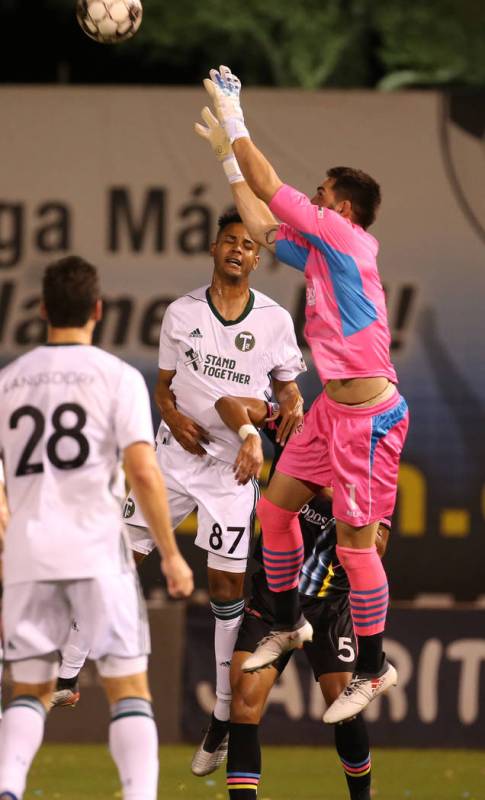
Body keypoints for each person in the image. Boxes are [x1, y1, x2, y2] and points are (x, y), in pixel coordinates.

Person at [49, 212, 306, 774]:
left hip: (233, 470)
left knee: (224, 587)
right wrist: (170, 414)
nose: (238, 250)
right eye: (230, 241)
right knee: (118, 555)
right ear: (213, 247)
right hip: (174, 458)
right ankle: (66, 673)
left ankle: (219, 712)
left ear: (257, 259)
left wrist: (291, 405)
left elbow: (289, 388)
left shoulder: (275, 319)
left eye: (248, 245)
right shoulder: (181, 313)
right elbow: (163, 388)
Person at [196, 66, 409, 723]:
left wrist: (235, 117)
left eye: (321, 195)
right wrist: (227, 160)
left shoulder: (345, 238)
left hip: (367, 418)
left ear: (341, 209)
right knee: (276, 509)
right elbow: (260, 223)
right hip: (329, 411)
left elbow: (270, 186)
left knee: (353, 546)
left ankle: (373, 669)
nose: (312, 202)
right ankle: (287, 624)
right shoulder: (320, 254)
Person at [0, 256, 193, 800]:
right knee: (129, 689)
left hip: (29, 556)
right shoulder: (118, 378)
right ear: (98, 310)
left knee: (29, 690)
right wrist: (171, 554)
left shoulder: (9, 381)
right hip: (98, 553)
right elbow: (143, 472)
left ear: (41, 311)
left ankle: (8, 788)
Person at [214, 394, 389, 800]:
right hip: (274, 596)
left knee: (343, 704)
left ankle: (361, 796)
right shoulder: (298, 429)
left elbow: (377, 546)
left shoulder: (372, 463)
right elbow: (227, 402)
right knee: (244, 699)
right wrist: (249, 432)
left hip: (329, 604)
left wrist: (327, 489)